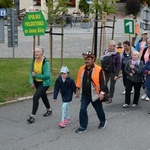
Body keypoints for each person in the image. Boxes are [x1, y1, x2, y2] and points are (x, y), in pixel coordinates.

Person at [75, 51, 107, 133]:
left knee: (99, 109)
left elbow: (103, 82)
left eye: (88, 59)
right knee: (82, 109)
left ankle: (103, 121)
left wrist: (102, 93)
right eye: (85, 59)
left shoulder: (99, 70)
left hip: (95, 94)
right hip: (85, 94)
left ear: (93, 59)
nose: (86, 61)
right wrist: (77, 90)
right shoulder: (82, 69)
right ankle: (83, 126)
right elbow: (79, 80)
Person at [27, 46, 52, 124]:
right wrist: (31, 82)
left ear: (42, 53)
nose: (36, 53)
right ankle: (49, 110)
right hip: (37, 82)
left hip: (45, 83)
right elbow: (31, 72)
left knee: (36, 97)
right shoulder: (33, 60)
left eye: (38, 52)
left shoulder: (45, 62)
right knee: (43, 95)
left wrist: (36, 75)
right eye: (35, 51)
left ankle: (32, 116)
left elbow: (47, 76)